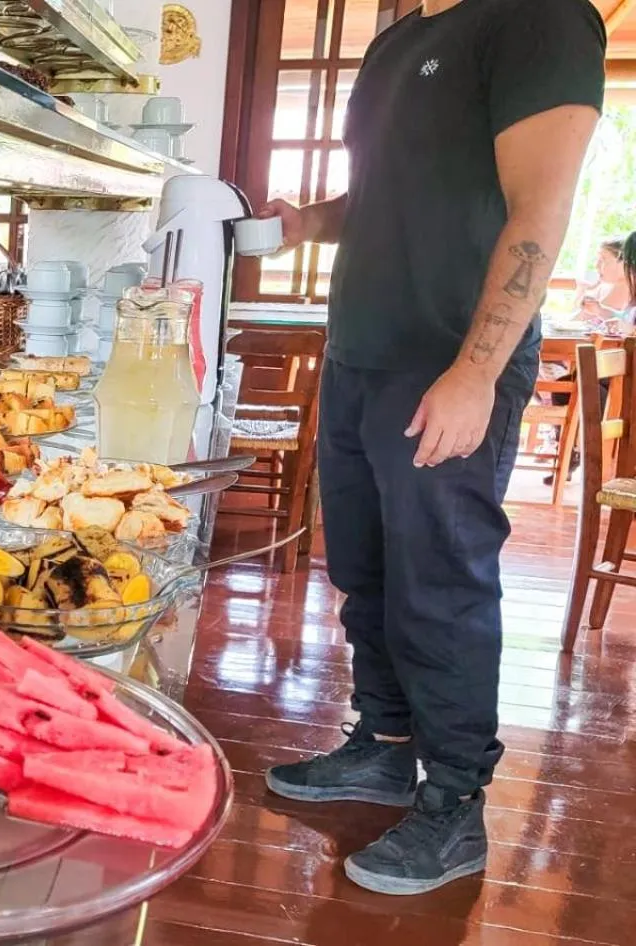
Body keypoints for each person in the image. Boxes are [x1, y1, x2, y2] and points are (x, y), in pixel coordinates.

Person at [256, 0, 605, 896]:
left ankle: (454, 804)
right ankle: (384, 744)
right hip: (359, 354)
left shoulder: (539, 19)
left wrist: (477, 370)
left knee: (441, 586)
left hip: (447, 361)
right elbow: (385, 196)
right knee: (365, 572)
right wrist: (306, 223)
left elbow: (539, 207)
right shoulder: (398, 41)